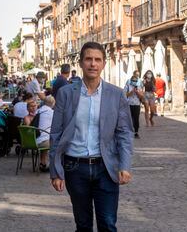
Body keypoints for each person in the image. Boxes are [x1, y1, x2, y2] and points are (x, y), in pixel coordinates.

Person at [50, 41, 133, 232]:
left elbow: (124, 133)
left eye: (97, 60)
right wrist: (56, 171)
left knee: (108, 223)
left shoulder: (116, 94)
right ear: (80, 63)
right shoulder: (65, 93)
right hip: (75, 167)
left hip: (106, 168)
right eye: (88, 59)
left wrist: (125, 165)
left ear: (104, 64)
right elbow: (56, 133)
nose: (93, 64)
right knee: (83, 224)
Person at [35, 96, 55, 172]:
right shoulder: (52, 113)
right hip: (43, 141)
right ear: (53, 103)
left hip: (35, 140)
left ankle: (42, 163)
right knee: (59, 144)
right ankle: (54, 166)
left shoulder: (38, 111)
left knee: (45, 138)